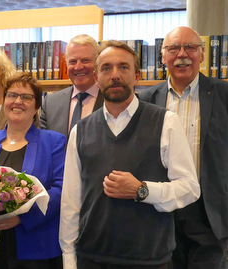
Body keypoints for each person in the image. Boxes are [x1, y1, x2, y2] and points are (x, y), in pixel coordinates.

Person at [59, 41, 201, 269]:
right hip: (91, 258)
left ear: (137, 76)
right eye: (106, 68)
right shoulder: (81, 131)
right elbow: (71, 203)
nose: (114, 75)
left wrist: (141, 190)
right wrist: (68, 258)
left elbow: (189, 189)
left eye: (123, 67)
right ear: (96, 77)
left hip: (149, 260)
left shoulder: (166, 122)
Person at [138, 26, 228, 269]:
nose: (182, 54)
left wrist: (222, 193)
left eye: (190, 47)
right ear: (163, 56)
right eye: (173, 48)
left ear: (202, 55)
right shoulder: (147, 98)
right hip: (162, 208)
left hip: (209, 210)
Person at [0, 73, 66, 269]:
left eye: (26, 97)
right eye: (12, 95)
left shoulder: (54, 141)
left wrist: (22, 217)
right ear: (4, 101)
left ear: (37, 107)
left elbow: (60, 190)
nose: (17, 101)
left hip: (34, 247)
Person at [40, 34, 103, 137]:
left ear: (97, 63)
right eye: (73, 61)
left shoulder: (112, 100)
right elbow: (45, 145)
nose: (78, 67)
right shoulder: (50, 103)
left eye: (85, 60)